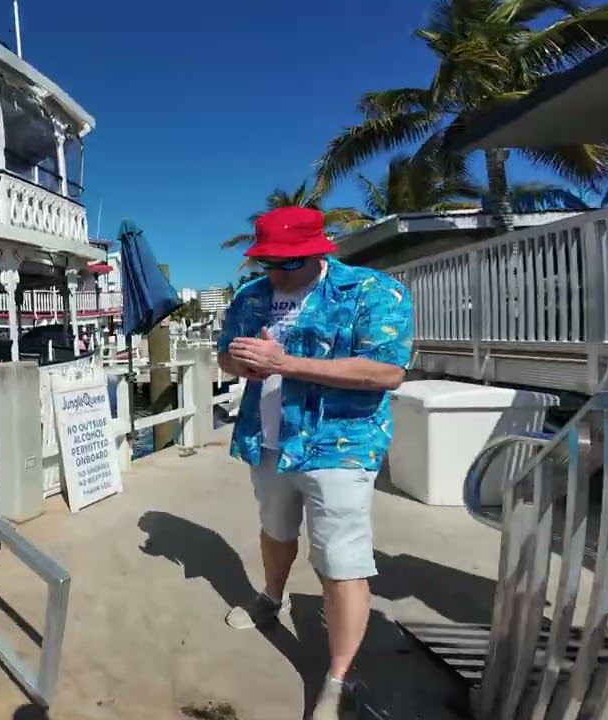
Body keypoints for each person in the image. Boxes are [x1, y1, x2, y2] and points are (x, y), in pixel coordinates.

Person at [215, 206, 413, 719]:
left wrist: (286, 363)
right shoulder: (250, 296)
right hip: (267, 439)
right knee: (275, 529)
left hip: (339, 444)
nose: (277, 274)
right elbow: (224, 357)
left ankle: (337, 679)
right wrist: (240, 364)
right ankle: (271, 597)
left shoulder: (371, 291)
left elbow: (387, 372)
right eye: (269, 263)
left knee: (342, 560)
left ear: (318, 252)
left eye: (289, 263)